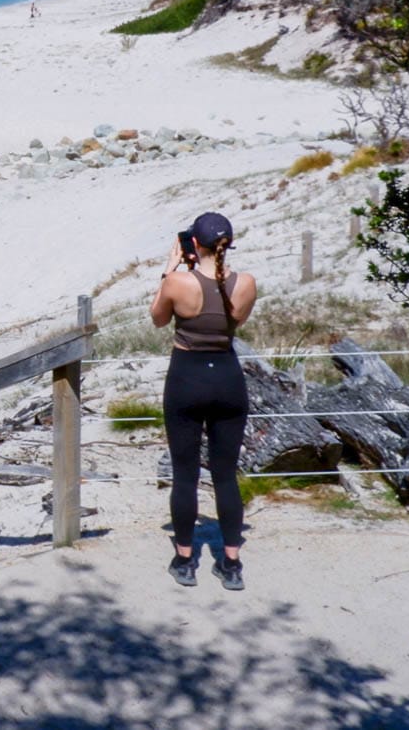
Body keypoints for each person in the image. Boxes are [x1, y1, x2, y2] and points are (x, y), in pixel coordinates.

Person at [149, 211, 258, 590]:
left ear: (193, 244)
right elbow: (233, 321)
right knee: (226, 475)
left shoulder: (179, 282)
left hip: (187, 378)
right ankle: (230, 563)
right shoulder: (246, 283)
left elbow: (158, 318)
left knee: (185, 474)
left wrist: (169, 270)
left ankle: (184, 559)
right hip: (228, 378)